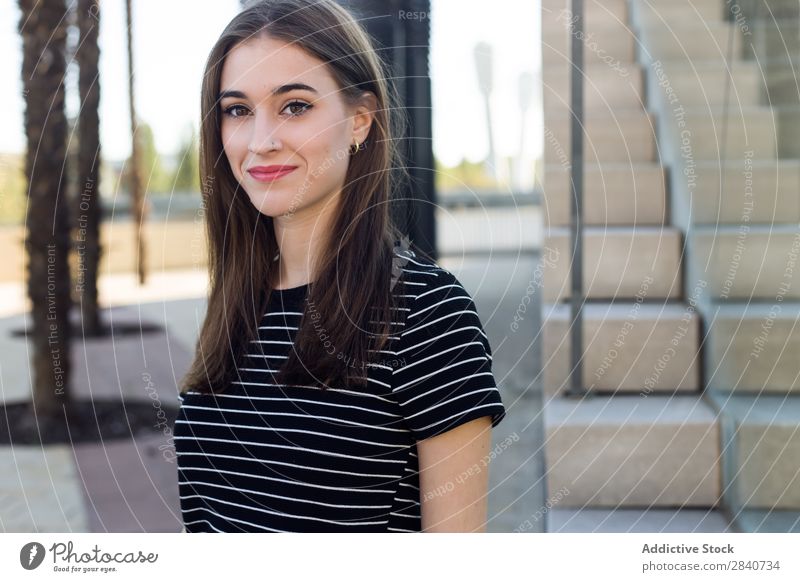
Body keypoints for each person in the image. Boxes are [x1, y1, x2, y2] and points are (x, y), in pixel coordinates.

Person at [175, 0, 506, 533]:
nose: (261, 141)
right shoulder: (239, 302)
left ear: (360, 119)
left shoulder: (428, 313)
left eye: (295, 106)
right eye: (237, 110)